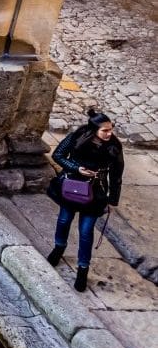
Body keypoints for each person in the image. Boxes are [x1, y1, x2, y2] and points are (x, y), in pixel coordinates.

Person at [46, 112, 124, 292]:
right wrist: (77, 168)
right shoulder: (77, 136)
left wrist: (113, 199)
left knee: (86, 231)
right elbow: (58, 155)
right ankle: (59, 248)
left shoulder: (114, 146)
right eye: (105, 130)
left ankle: (83, 269)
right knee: (64, 220)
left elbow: (117, 174)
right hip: (72, 187)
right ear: (94, 129)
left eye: (110, 130)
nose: (109, 133)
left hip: (95, 193)